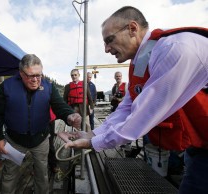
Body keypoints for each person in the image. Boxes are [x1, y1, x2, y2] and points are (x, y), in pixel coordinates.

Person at [60, 6, 208, 194]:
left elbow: (144, 114)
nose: (106, 49)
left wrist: (93, 143)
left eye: (109, 40)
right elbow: (127, 108)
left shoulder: (175, 50)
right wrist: (94, 135)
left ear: (132, 28)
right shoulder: (141, 61)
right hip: (200, 145)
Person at [0, 54, 81, 194]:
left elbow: (59, 105)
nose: (35, 80)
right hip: (14, 141)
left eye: (39, 75)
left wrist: (70, 115)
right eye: (30, 76)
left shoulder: (48, 86)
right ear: (21, 73)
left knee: (42, 174)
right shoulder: (6, 86)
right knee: (9, 174)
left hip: (41, 139)